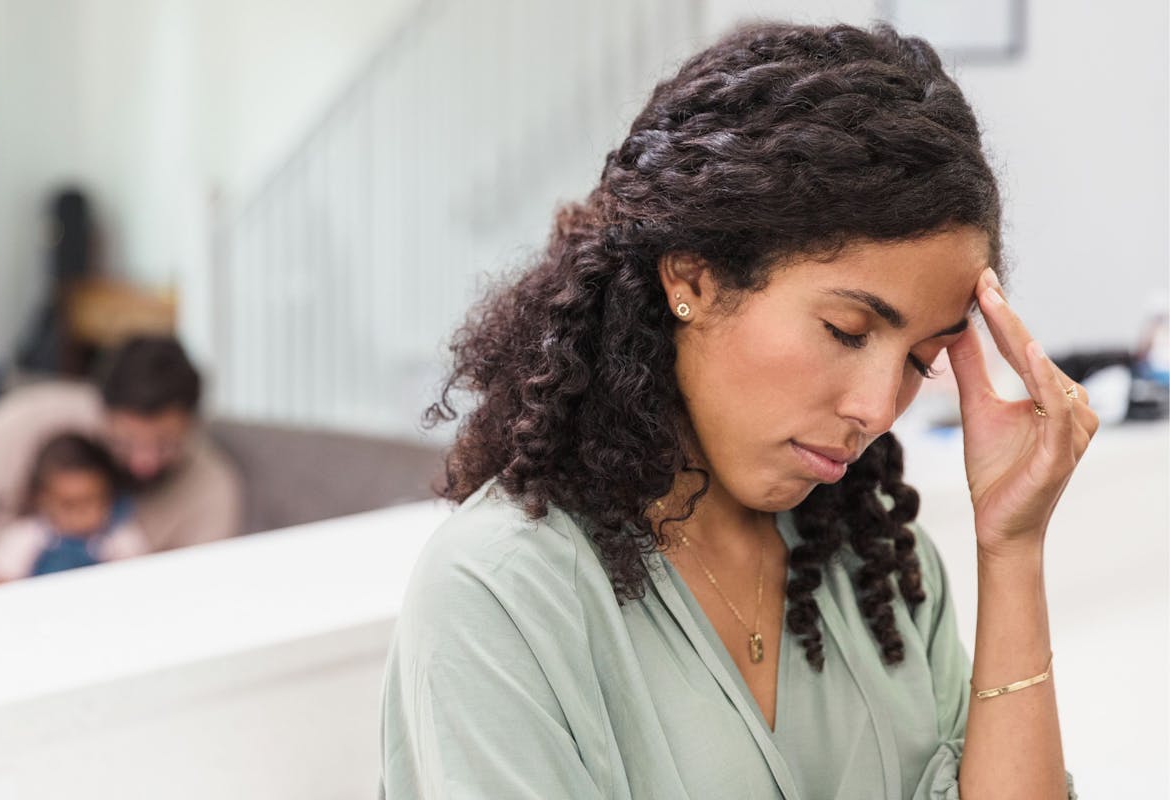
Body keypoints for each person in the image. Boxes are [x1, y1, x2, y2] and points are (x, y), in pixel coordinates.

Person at [378, 22, 1093, 799]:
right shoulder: (500, 597)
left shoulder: (882, 567)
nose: (878, 408)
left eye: (921, 361)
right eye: (846, 332)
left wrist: (1012, 551)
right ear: (693, 276)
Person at [0, 335, 242, 588]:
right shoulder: (37, 418)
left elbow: (199, 590)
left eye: (165, 445)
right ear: (101, 412)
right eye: (126, 442)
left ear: (194, 424)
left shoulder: (212, 490)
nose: (143, 463)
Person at [0, 432, 148, 583]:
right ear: (42, 500)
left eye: (91, 501)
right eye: (69, 505)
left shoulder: (120, 538)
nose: (81, 514)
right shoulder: (24, 538)